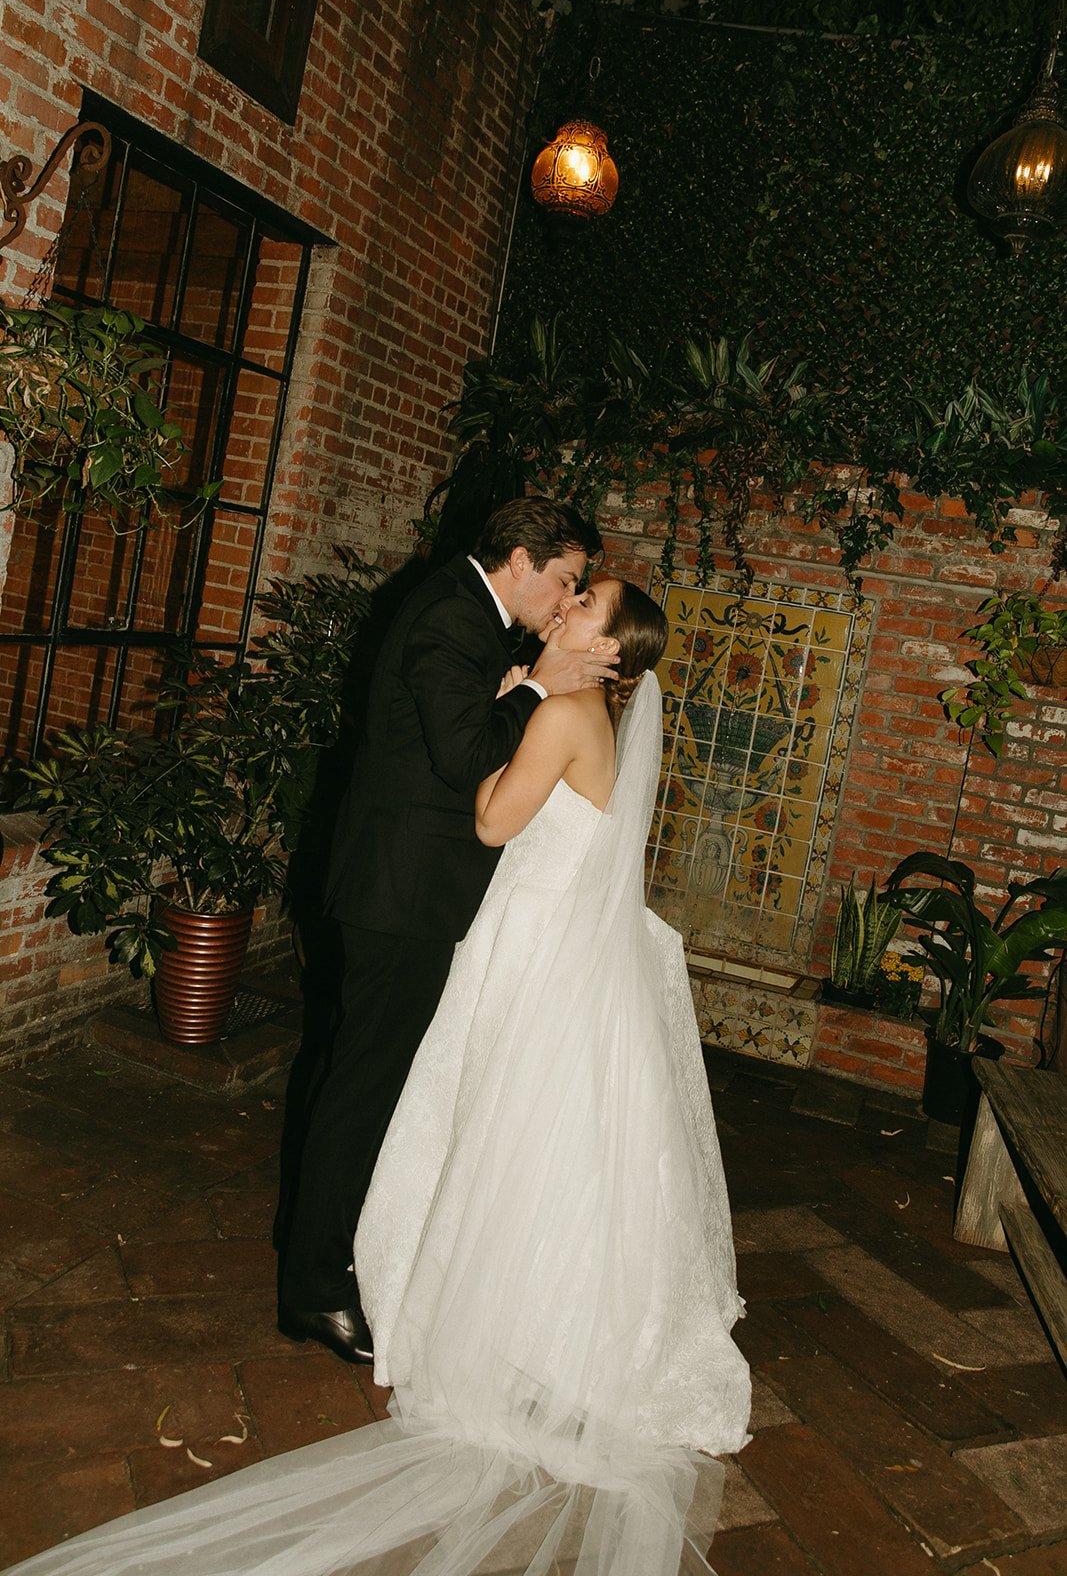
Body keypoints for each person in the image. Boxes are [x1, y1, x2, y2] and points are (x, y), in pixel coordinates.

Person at [3, 576, 749, 1576]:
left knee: (503, 1126)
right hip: (558, 943)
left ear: (610, 651)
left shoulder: (563, 710)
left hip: (529, 943)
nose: (566, 606)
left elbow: (491, 822)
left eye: (586, 608)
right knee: (549, 1137)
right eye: (571, 594)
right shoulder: (596, 715)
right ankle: (555, 1321)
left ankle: (509, 1321)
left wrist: (514, 710)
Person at [277, 497, 618, 1365]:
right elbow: (464, 756)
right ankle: (314, 1290)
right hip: (402, 892)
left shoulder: (466, 612)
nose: (565, 599)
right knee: (362, 1086)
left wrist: (531, 682)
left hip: (406, 889)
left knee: (354, 1073)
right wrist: (540, 685)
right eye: (565, 580)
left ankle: (320, 1252)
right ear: (520, 559)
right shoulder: (452, 617)